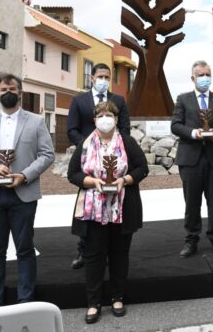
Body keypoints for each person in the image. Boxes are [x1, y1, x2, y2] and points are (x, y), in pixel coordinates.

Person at [0, 74, 55, 307]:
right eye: (4, 89)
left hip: (23, 194)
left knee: (25, 249)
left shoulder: (36, 121)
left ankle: (26, 299)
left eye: (12, 89)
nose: (8, 92)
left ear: (20, 93)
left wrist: (24, 175)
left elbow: (47, 155)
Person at [67, 101, 149, 324]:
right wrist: (92, 181)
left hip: (122, 208)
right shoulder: (85, 144)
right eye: (101, 115)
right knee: (94, 256)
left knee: (119, 254)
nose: (105, 119)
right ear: (94, 119)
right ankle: (93, 302)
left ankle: (117, 297)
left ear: (116, 119)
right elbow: (72, 174)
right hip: (93, 210)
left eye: (110, 115)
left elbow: (143, 168)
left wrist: (124, 180)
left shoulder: (128, 142)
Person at [67, 62, 131, 269]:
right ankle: (83, 250)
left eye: (107, 77)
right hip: (89, 163)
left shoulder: (118, 100)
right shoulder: (79, 101)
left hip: (113, 160)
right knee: (88, 206)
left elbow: (125, 128)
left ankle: (109, 251)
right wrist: (87, 148)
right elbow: (72, 129)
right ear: (92, 78)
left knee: (113, 203)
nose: (103, 80)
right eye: (100, 76)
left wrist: (113, 147)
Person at [171, 60, 213, 258]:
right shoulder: (183, 99)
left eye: (208, 74)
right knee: (192, 201)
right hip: (190, 159)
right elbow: (175, 126)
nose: (205, 78)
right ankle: (191, 239)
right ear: (193, 78)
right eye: (201, 75)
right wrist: (192, 133)